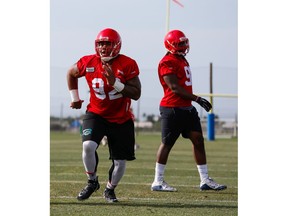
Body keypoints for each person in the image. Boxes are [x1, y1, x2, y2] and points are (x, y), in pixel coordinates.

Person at [67, 28, 141, 202]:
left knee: (120, 162)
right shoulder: (89, 61)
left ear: (116, 45)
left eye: (107, 43)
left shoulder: (128, 63)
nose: (103, 47)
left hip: (121, 118)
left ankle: (110, 189)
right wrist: (75, 98)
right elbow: (71, 73)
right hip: (96, 114)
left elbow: (136, 93)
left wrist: (115, 83)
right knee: (88, 147)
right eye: (100, 43)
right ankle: (92, 182)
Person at [151, 30, 227, 192]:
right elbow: (174, 87)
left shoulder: (182, 59)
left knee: (198, 140)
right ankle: (157, 181)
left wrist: (193, 101)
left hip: (187, 108)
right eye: (179, 44)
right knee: (167, 143)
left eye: (184, 43)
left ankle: (205, 180)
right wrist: (197, 99)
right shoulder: (167, 62)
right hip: (172, 108)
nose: (184, 46)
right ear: (170, 45)